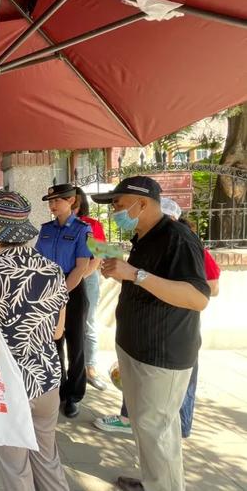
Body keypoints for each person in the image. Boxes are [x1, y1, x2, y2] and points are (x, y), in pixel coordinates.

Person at [91, 176, 210, 491]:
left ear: (142, 203)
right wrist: (125, 275)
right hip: (136, 347)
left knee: (157, 430)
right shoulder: (144, 237)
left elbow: (198, 297)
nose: (114, 210)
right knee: (145, 427)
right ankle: (153, 481)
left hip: (162, 353)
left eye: (117, 204)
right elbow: (152, 285)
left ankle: (164, 486)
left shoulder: (178, 238)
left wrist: (135, 273)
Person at [0, 190, 70, 490]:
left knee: (16, 469)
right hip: (48, 380)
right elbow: (57, 332)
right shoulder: (53, 270)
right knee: (48, 459)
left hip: (10, 388)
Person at [35, 184, 92, 418]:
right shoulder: (46, 229)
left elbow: (81, 267)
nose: (52, 205)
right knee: (53, 343)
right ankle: (58, 389)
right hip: (48, 289)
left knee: (75, 344)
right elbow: (38, 260)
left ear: (71, 200)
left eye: (57, 200)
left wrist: (62, 293)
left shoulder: (82, 229)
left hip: (73, 290)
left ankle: (74, 395)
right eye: (50, 201)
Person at [73, 187, 107, 391]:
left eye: (72, 200)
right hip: (65, 279)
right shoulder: (58, 225)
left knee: (89, 322)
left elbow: (100, 255)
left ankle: (91, 368)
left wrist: (81, 276)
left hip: (87, 278)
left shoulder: (92, 225)